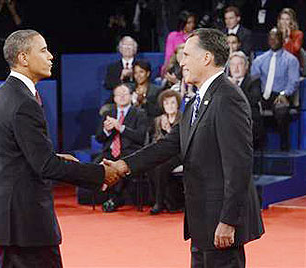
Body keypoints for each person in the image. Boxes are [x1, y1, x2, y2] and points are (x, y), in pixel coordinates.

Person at [104, 28, 264, 267]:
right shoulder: (196, 100)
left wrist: (229, 220)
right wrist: (124, 165)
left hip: (220, 220)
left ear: (207, 58)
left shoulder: (229, 98)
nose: (181, 61)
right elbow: (168, 144)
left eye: (187, 55)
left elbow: (239, 165)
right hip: (201, 219)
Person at [0, 29, 120, 268]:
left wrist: (52, 157)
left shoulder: (2, 95)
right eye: (43, 50)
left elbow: (16, 154)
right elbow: (44, 165)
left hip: (7, 216)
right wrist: (100, 174)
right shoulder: (23, 102)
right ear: (24, 58)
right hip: (24, 221)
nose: (51, 56)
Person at [95, 83, 148, 212]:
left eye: (125, 94)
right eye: (119, 94)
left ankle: (115, 198)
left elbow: (140, 137)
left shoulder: (139, 113)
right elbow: (99, 138)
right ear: (114, 98)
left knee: (121, 163)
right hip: (109, 151)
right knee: (97, 164)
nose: (122, 97)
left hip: (129, 151)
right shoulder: (108, 113)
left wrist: (121, 128)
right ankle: (105, 198)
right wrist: (106, 131)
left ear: (131, 96)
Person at [250, 28, 300, 151]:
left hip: (280, 95)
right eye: (271, 38)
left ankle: (284, 147)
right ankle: (257, 147)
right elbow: (254, 81)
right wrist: (255, 98)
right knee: (252, 110)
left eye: (276, 37)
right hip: (262, 95)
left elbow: (293, 81)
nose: (273, 40)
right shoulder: (259, 60)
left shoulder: (291, 60)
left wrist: (284, 94)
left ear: (282, 40)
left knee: (281, 110)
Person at [149, 89, 184, 215]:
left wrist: (170, 132)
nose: (170, 106)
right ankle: (165, 201)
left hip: (180, 154)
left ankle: (160, 202)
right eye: (167, 103)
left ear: (178, 104)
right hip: (163, 153)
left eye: (172, 103)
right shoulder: (158, 120)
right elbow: (154, 141)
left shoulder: (183, 119)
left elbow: (182, 142)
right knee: (152, 165)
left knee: (161, 166)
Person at [228, 51, 263, 151]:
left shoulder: (254, 81)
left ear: (246, 67)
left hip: (248, 121)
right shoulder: (225, 82)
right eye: (233, 65)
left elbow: (253, 99)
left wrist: (235, 88)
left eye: (240, 64)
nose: (236, 68)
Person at [131, 60, 162, 127]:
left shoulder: (157, 90)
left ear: (147, 73)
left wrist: (144, 101)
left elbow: (158, 111)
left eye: (141, 72)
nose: (138, 75)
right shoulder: (129, 89)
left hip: (149, 125)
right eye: (135, 73)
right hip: (131, 124)